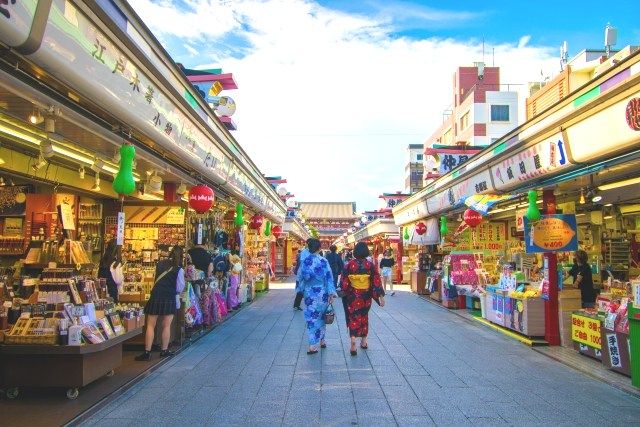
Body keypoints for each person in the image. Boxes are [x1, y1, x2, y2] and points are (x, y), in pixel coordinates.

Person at [135, 246, 185, 361]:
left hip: (156, 296)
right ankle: (164, 350)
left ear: (170, 253)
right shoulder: (179, 269)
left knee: (150, 325)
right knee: (166, 325)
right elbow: (180, 287)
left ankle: (147, 352)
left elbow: (156, 278)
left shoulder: (160, 264)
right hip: (169, 297)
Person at [341, 242, 385, 356]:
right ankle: (364, 341)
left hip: (352, 296)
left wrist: (346, 290)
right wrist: (380, 297)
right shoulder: (370, 265)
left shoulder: (349, 265)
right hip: (365, 296)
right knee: (364, 317)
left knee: (353, 317)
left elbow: (344, 282)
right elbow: (376, 281)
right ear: (366, 252)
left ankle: (353, 341)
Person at [296, 238, 337, 354]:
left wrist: (301, 288)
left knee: (312, 318)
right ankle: (322, 341)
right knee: (323, 316)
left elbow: (300, 277)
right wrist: (331, 293)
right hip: (322, 292)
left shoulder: (305, 261)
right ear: (319, 248)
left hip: (310, 293)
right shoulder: (323, 261)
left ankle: (312, 345)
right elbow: (329, 277)